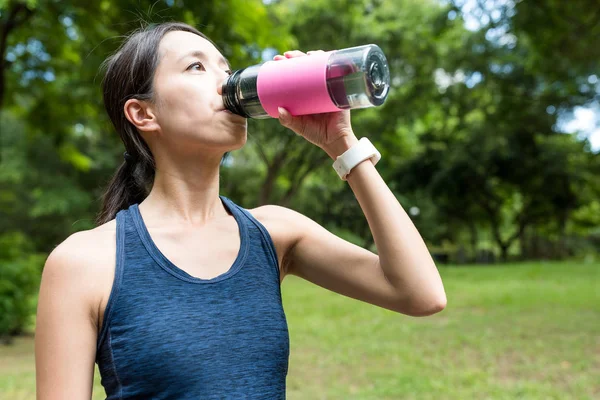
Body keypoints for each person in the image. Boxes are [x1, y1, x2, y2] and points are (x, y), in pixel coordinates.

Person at [34, 22, 446, 399]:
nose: (226, 82)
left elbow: (420, 293)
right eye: (196, 67)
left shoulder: (274, 232)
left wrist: (342, 143)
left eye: (225, 67)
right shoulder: (84, 262)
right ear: (143, 113)